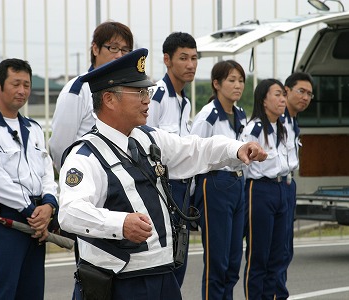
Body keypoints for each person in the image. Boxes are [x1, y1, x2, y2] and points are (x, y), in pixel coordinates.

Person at [58, 48, 267, 300]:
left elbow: (194, 149)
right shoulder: (85, 156)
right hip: (122, 282)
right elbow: (70, 213)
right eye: (139, 92)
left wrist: (237, 148)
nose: (147, 100)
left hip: (162, 275)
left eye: (147, 91)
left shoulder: (147, 138)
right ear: (109, 100)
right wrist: (120, 224)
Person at [0, 58, 58, 300]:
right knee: (2, 292)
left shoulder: (34, 128)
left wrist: (49, 204)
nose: (22, 91)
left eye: (26, 85)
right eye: (15, 84)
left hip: (37, 218)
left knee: (32, 292)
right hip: (4, 219)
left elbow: (47, 171)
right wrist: (32, 211)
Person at [190, 60, 247, 300]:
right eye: (231, 80)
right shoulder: (208, 117)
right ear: (216, 84)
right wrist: (192, 199)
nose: (237, 86)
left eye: (241, 80)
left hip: (237, 184)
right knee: (217, 262)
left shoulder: (240, 114)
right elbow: (191, 154)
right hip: (214, 184)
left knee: (234, 261)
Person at [146, 31, 198, 286]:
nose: (190, 65)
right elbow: (142, 144)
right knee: (163, 264)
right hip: (163, 191)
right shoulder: (156, 95)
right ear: (167, 60)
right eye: (183, 58)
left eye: (194, 58)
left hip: (183, 190)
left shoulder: (184, 101)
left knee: (179, 261)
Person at [49, 21, 134, 172]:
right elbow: (60, 147)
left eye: (125, 50)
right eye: (113, 48)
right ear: (95, 49)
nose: (120, 55)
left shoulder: (128, 90)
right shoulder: (77, 90)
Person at [241, 79, 289, 300]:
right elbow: (244, 164)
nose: (282, 99)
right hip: (259, 191)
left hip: (280, 188)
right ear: (264, 100)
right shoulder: (255, 128)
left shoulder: (281, 126)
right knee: (259, 256)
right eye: (277, 94)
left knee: (277, 256)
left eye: (283, 95)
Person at [275, 72, 314, 300]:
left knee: (286, 250)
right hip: (272, 186)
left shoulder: (292, 121)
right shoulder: (276, 120)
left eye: (309, 94)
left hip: (289, 185)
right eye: (301, 91)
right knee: (275, 252)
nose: (305, 97)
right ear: (286, 91)